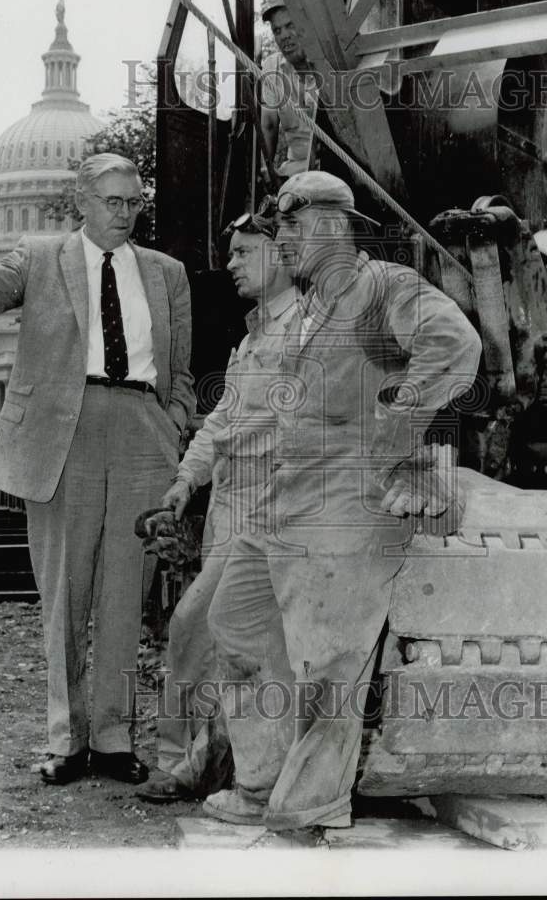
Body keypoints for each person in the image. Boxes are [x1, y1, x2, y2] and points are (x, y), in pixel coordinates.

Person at [201, 171, 483, 829]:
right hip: (284, 503)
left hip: (348, 508)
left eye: (292, 229)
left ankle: (309, 806)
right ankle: (260, 780)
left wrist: (396, 426)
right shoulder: (309, 305)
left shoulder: (384, 288)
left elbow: (456, 346)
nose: (284, 244)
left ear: (329, 225)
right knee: (236, 624)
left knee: (329, 667)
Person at [0, 153, 195, 786]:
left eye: (134, 203)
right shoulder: (40, 256)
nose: (126, 214)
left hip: (141, 431)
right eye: (114, 202)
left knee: (128, 593)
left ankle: (115, 741)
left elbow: (180, 363)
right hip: (61, 432)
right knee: (64, 594)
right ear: (83, 203)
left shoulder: (166, 272)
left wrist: (172, 421)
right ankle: (66, 742)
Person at [137, 212, 300, 803]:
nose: (229, 264)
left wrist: (226, 442)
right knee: (215, 645)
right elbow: (223, 421)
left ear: (280, 256)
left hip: (267, 510)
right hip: (229, 506)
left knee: (199, 629)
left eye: (242, 253)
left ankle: (189, 765)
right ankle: (209, 765)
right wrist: (184, 482)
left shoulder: (306, 332)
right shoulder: (253, 336)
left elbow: (279, 423)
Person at [259, 0, 320, 178]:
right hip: (294, 173)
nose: (284, 36)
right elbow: (268, 124)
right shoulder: (271, 68)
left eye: (290, 26)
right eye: (277, 31)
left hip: (331, 171)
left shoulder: (326, 64)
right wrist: (266, 171)